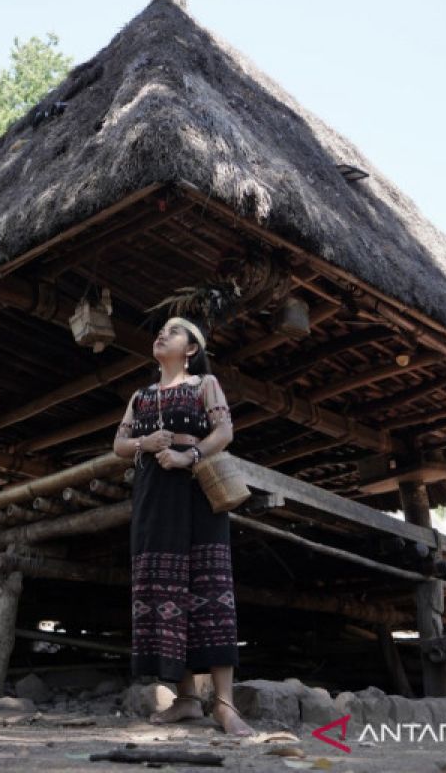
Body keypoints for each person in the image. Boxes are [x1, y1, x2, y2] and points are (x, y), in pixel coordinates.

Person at [112, 316, 254, 737]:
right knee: (163, 591)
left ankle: (224, 704)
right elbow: (118, 445)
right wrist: (146, 444)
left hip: (196, 498)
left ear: (191, 349)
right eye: (160, 331)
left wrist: (186, 457)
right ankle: (188, 700)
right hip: (153, 500)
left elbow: (224, 430)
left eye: (173, 332)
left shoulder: (203, 384)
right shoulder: (140, 397)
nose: (161, 334)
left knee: (209, 588)